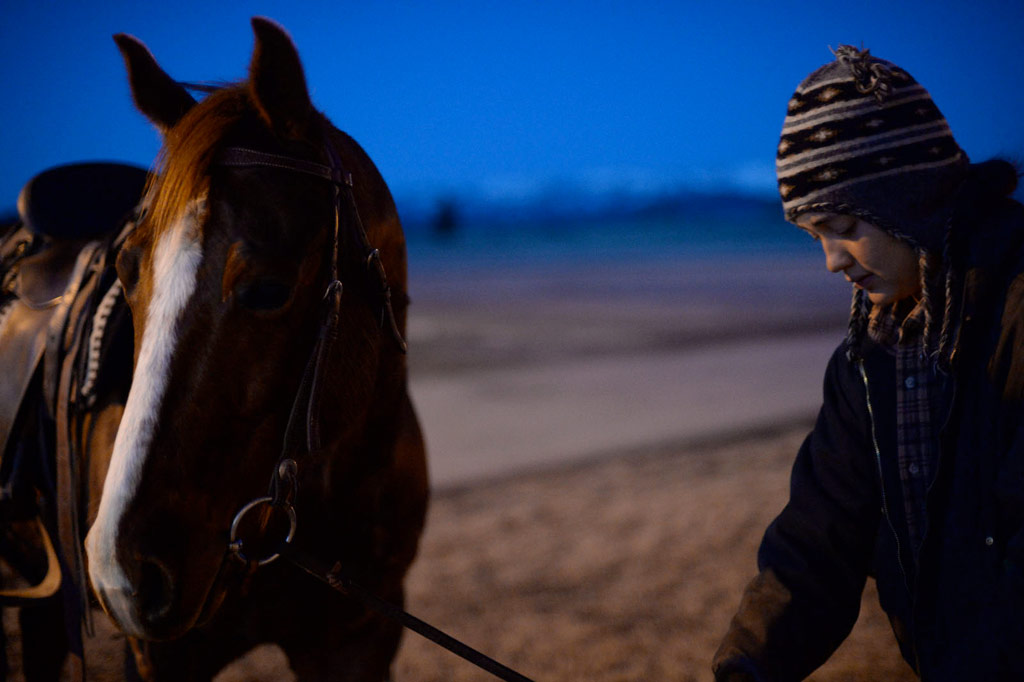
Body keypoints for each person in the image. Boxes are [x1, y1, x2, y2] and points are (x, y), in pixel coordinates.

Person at [712, 45, 1024, 681]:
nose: (833, 260)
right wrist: (746, 669)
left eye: (845, 224)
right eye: (815, 236)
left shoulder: (1015, 315)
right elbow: (819, 538)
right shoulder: (869, 356)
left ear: (909, 197)